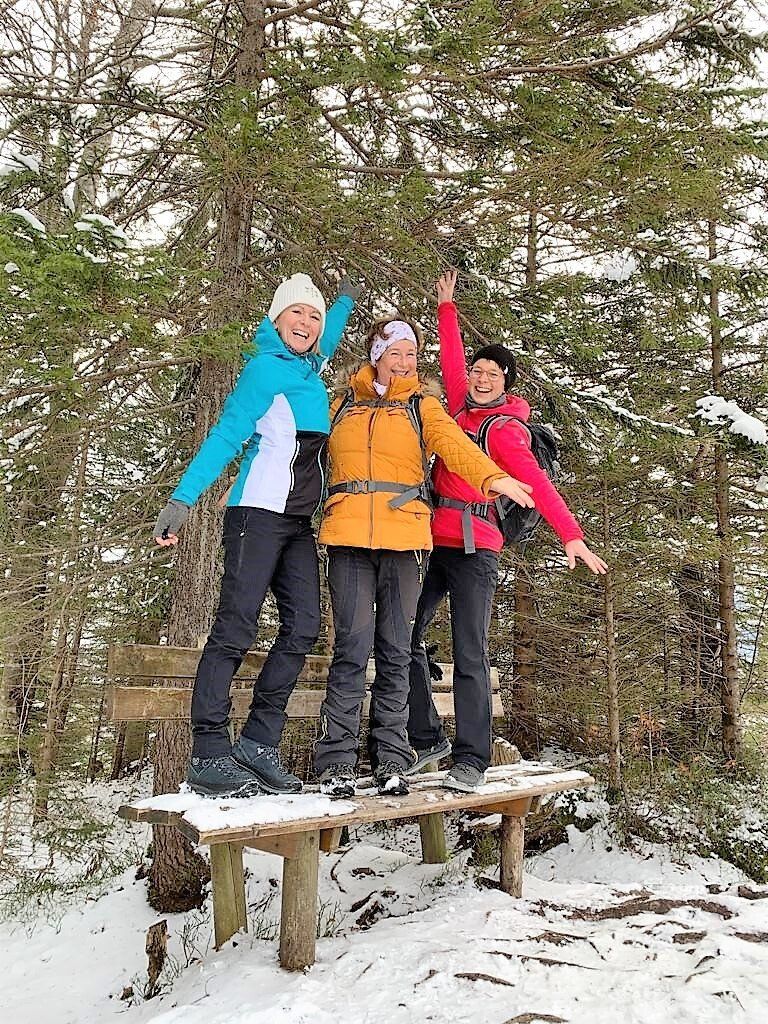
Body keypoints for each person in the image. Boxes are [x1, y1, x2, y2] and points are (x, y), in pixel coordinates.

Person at [152, 273, 361, 798]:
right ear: (274, 318)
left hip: (295, 524)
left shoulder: (309, 368)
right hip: (255, 516)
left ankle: (258, 744)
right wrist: (182, 499)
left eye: (312, 319)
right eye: (296, 313)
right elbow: (226, 435)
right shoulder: (264, 370)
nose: (307, 324)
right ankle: (208, 752)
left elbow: (326, 336)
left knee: (304, 626)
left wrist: (341, 301)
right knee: (236, 628)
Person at [312, 315, 536, 798]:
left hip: (407, 538)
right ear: (376, 354)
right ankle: (336, 761)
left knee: (395, 648)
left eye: (413, 354)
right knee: (352, 647)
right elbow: (306, 448)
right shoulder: (342, 405)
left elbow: (456, 447)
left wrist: (492, 479)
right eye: (396, 352)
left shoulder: (422, 405)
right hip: (348, 535)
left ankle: (392, 759)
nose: (406, 361)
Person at [406, 270, 608, 793]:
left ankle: (471, 759)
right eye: (478, 370)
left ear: (506, 383)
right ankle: (427, 739)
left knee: (469, 651)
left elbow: (538, 485)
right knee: (402, 635)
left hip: (477, 548)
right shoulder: (457, 409)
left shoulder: (506, 431)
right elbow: (451, 362)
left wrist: (571, 536)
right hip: (433, 542)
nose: (481, 377)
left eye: (493, 373)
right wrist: (446, 308)